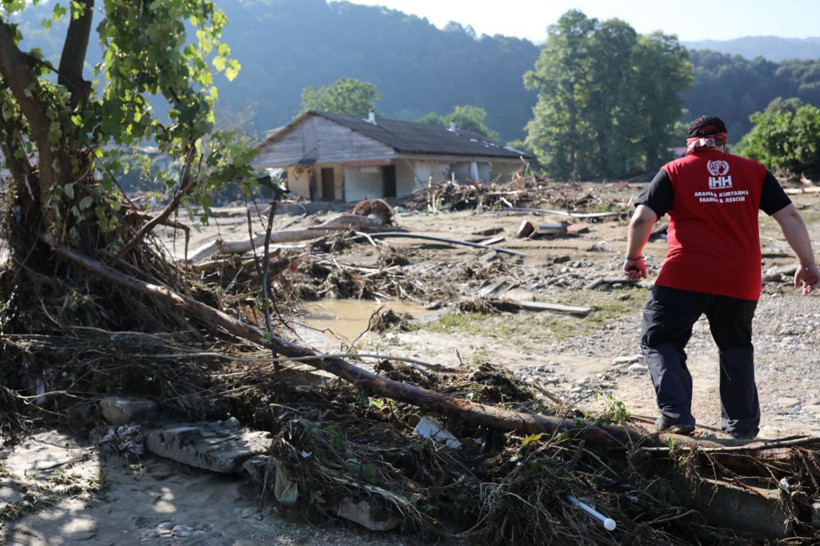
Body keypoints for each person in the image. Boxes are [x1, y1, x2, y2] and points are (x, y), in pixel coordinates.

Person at [623, 115, 820, 440]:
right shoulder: (754, 171)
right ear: (724, 140)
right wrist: (808, 264)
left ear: (690, 143)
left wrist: (633, 258)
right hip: (739, 280)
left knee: (660, 339)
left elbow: (642, 218)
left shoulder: (674, 170)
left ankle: (675, 414)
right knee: (735, 347)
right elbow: (791, 216)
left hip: (684, 275)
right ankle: (742, 431)